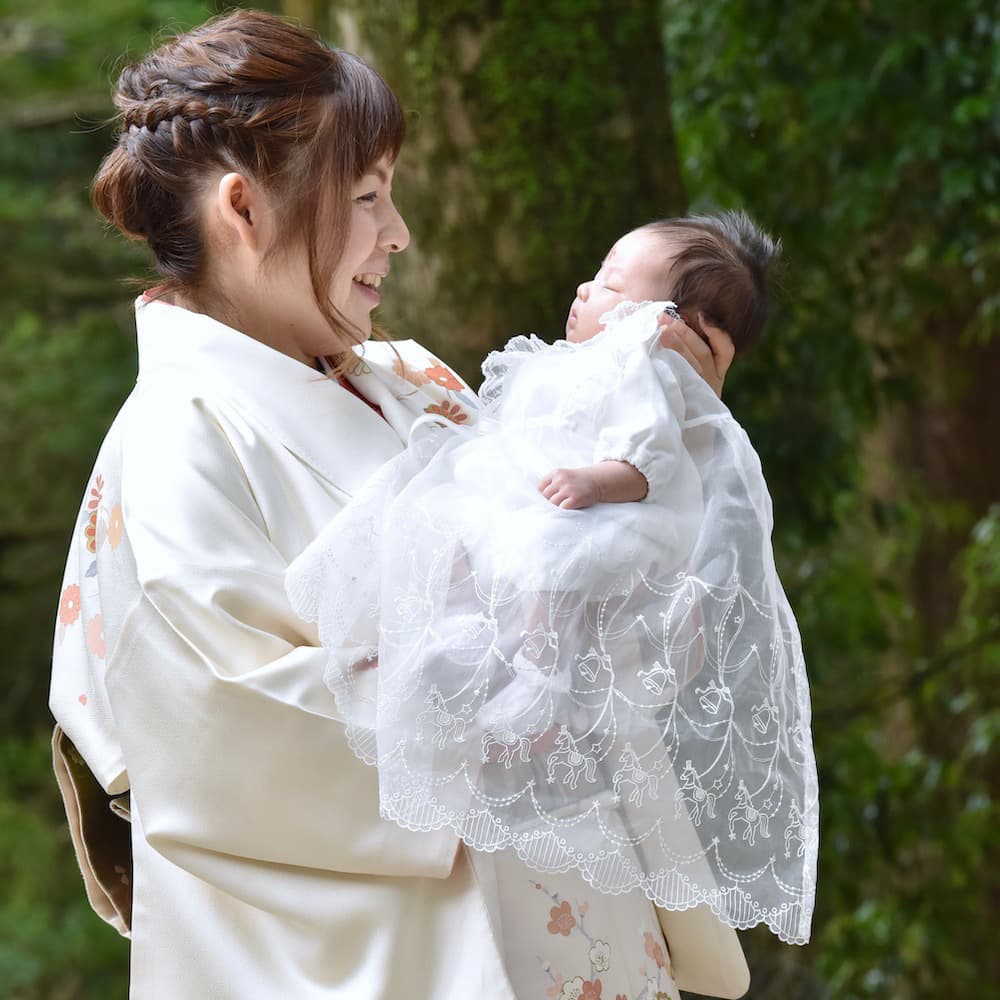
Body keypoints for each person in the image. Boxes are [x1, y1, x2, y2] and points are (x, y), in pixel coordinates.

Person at [48, 10, 752, 999]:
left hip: (579, 920)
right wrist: (521, 685)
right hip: (403, 956)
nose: (398, 234)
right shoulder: (173, 441)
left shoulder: (414, 381)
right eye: (368, 197)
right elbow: (228, 734)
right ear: (243, 209)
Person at [287, 213, 819, 949]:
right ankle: (459, 668)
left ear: (666, 322)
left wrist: (594, 480)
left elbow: (650, 459)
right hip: (567, 507)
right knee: (465, 530)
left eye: (609, 283)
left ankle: (533, 688)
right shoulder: (587, 366)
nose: (584, 287)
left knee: (543, 572)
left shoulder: (644, 368)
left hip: (613, 519)